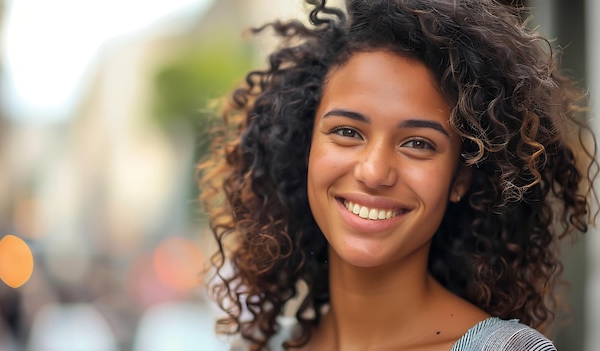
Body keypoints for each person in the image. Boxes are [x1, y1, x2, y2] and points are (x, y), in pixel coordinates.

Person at [197, 0, 598, 350]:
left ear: (459, 178)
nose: (374, 172)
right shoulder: (262, 346)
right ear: (305, 149)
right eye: (347, 132)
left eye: (418, 143)